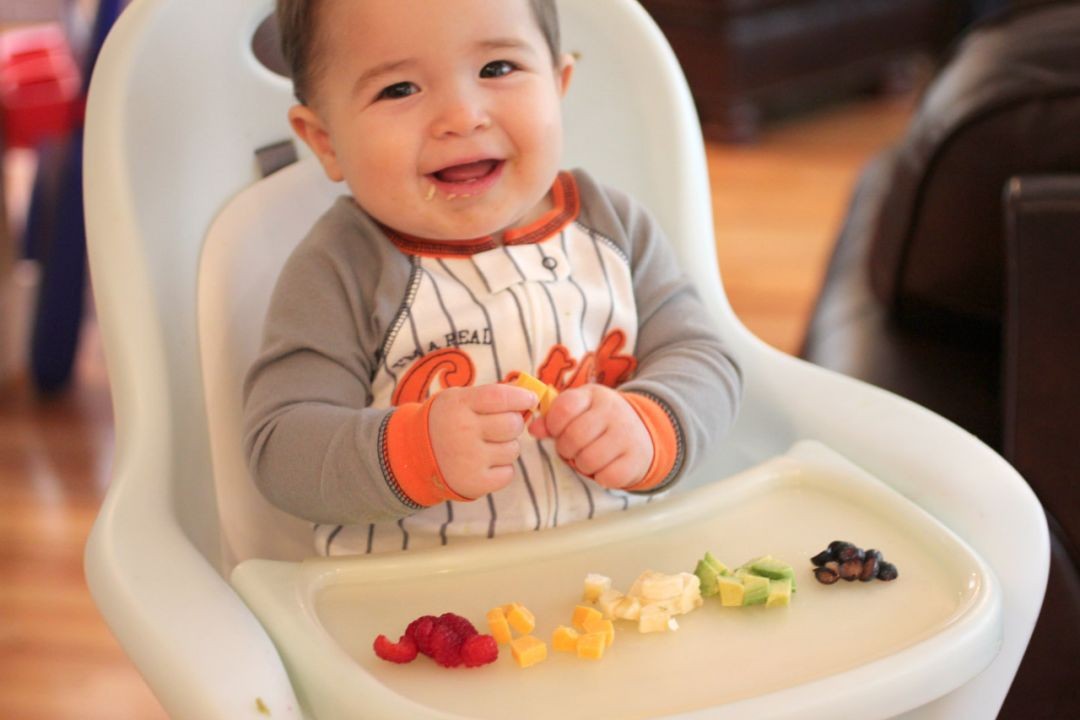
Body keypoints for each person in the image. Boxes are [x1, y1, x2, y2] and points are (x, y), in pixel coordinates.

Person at [243, 0, 742, 555]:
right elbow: (280, 450)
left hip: (628, 578)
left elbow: (702, 356)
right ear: (326, 141)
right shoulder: (340, 269)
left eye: (497, 69)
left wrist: (652, 424)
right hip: (423, 610)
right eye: (400, 89)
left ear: (558, 84)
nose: (462, 115)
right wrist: (415, 452)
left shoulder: (614, 226)